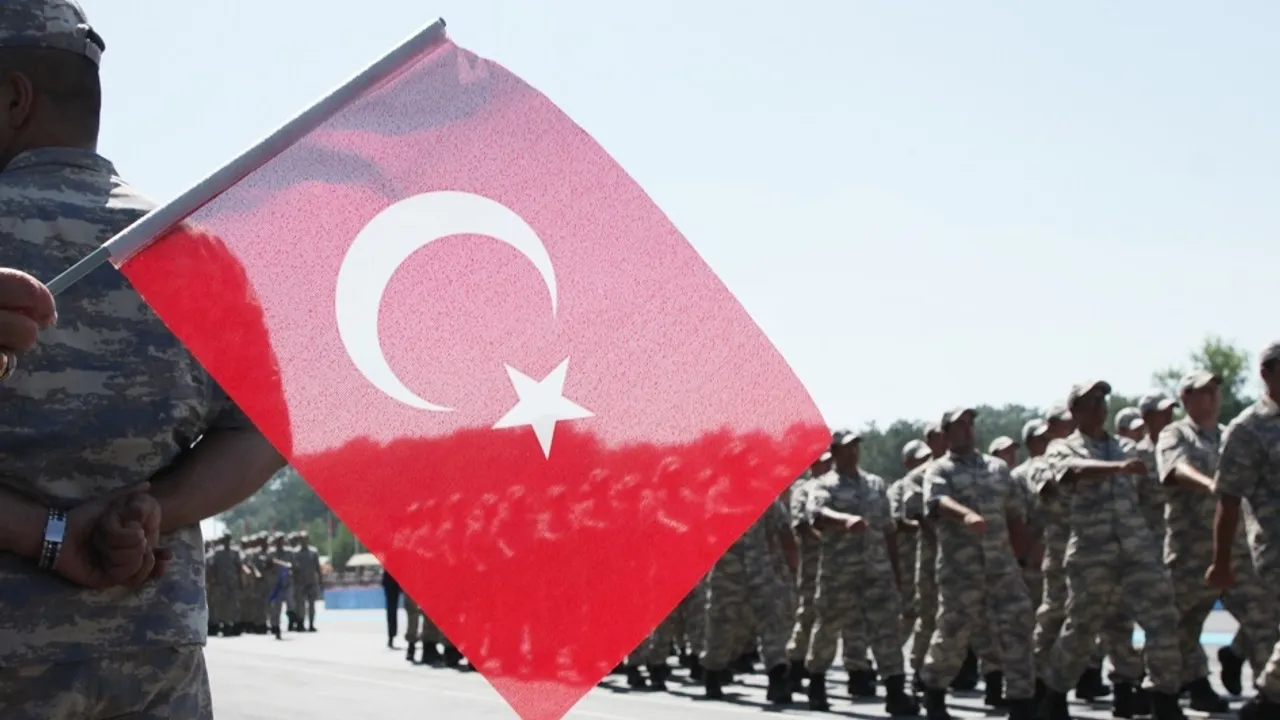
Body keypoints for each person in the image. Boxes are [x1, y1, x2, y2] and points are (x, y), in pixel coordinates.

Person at [0, 2, 284, 717]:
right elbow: (263, 432)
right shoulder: (191, 252)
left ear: (13, 99)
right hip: (154, 658)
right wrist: (153, 510)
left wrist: (47, 534)